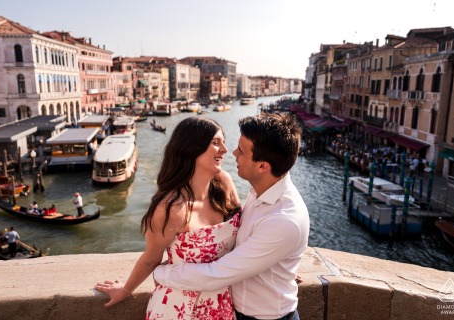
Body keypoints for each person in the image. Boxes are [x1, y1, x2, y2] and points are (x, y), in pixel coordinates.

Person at [153, 113, 310, 320]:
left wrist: (160, 273)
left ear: (263, 166)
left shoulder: (283, 219)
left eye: (241, 151)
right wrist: (276, 263)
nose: (233, 153)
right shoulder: (262, 190)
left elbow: (217, 274)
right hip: (237, 310)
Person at [95, 117, 241, 319]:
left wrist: (272, 263)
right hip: (179, 308)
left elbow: (247, 232)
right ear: (192, 148)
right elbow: (151, 258)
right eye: (216, 143)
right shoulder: (170, 208)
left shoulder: (224, 183)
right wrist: (126, 290)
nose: (224, 150)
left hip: (222, 305)